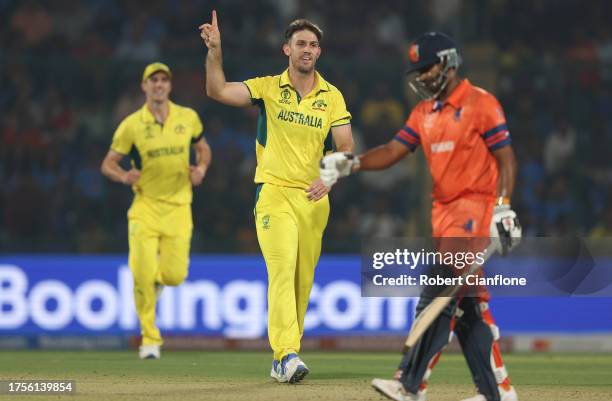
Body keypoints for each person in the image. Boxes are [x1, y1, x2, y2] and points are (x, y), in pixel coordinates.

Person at [320, 32, 521, 401]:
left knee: (439, 289)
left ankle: (410, 384)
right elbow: (396, 150)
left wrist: (504, 205)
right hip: (443, 215)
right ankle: (498, 393)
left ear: (448, 61)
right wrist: (353, 164)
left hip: (474, 211)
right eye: (418, 71)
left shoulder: (481, 104)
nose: (423, 77)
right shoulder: (423, 113)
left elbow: (506, 157)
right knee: (468, 309)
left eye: (428, 68)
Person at [199, 10, 354, 383]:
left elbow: (347, 148)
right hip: (273, 192)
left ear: (319, 52)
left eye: (313, 45)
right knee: (282, 269)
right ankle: (287, 353)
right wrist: (215, 52)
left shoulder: (331, 97)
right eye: (301, 43)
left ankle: (281, 359)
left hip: (315, 199)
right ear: (287, 48)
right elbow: (217, 90)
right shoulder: (269, 87)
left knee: (302, 281)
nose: (307, 49)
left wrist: (328, 179)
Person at [101, 62, 211, 360]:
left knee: (175, 275)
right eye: (153, 80)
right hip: (145, 207)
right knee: (141, 272)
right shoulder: (131, 125)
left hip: (178, 207)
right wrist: (124, 176)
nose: (159, 85)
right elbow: (108, 163)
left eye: (164, 80)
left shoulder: (188, 117)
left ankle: (161, 282)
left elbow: (204, 149)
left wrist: (200, 169)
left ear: (170, 86)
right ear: (144, 86)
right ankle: (150, 338)